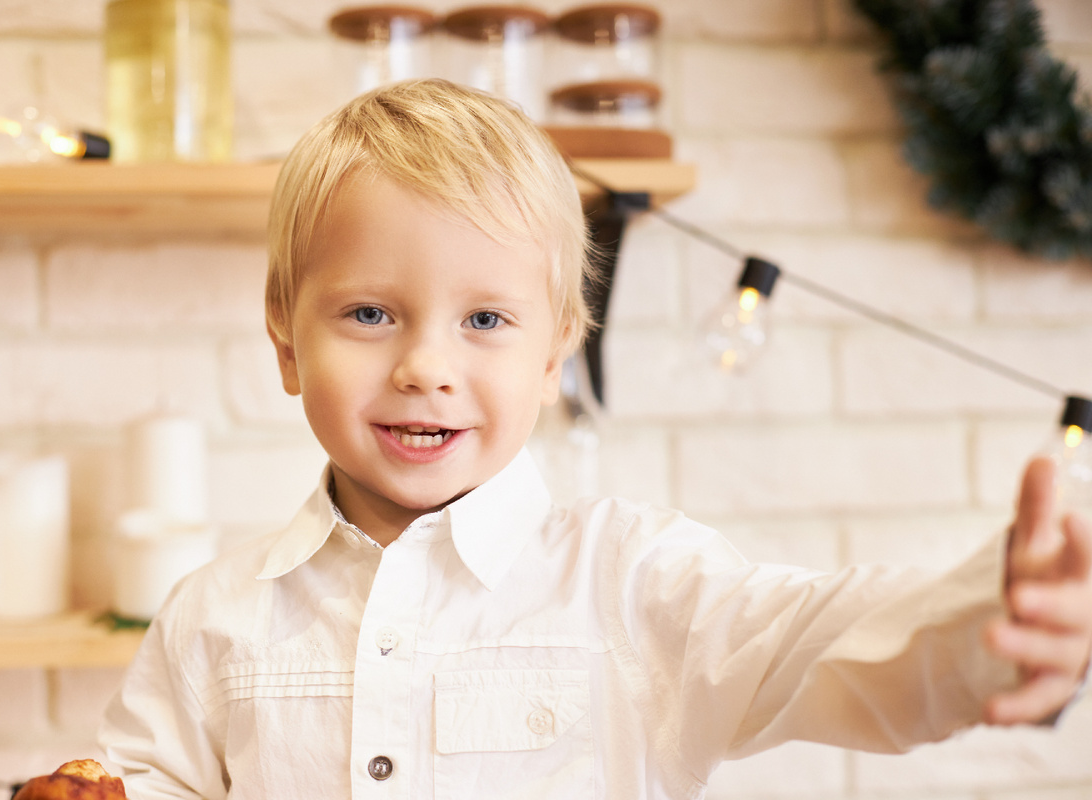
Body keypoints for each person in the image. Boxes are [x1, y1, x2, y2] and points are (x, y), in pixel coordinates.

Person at [99, 79, 1092, 800]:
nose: (425, 367)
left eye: (485, 320)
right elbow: (147, 779)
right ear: (285, 339)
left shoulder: (632, 578)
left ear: (554, 355)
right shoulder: (211, 617)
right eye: (369, 313)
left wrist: (989, 627)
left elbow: (826, 645)